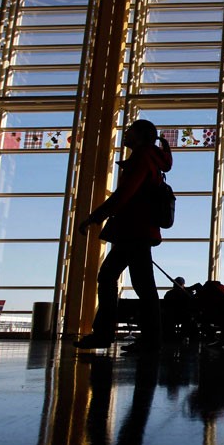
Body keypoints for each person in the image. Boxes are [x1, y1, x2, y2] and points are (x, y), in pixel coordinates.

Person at [75, 119, 172, 353]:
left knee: (110, 277)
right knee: (140, 284)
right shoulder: (153, 160)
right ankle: (149, 338)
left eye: (129, 131)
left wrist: (95, 217)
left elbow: (124, 194)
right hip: (140, 230)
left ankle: (107, 334)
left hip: (133, 229)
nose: (125, 135)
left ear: (139, 135)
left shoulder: (141, 158)